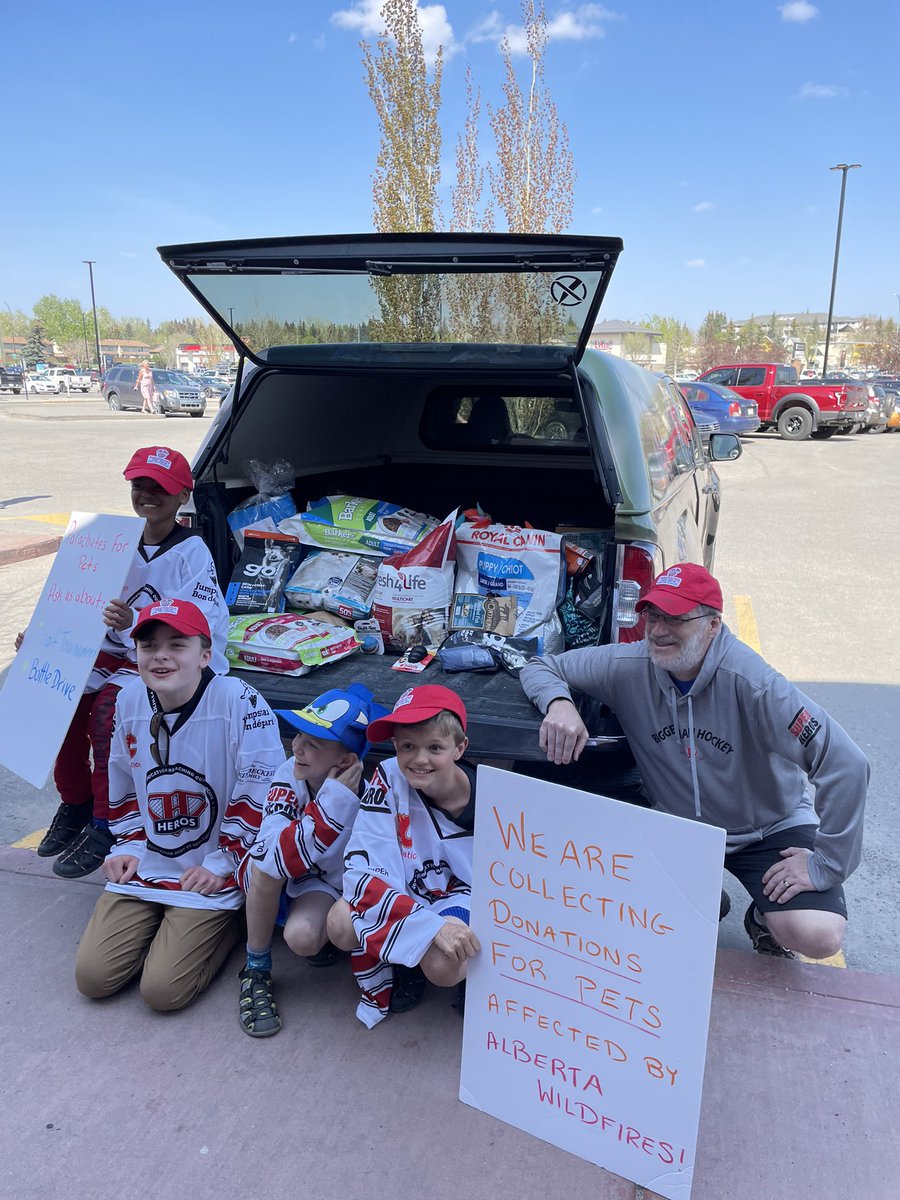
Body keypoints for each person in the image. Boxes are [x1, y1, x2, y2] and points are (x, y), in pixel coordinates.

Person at [520, 563, 869, 961]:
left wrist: (826, 865)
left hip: (766, 827)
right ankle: (702, 896)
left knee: (818, 935)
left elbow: (846, 764)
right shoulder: (630, 665)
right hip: (678, 827)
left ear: (713, 625)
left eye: (676, 619)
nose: (658, 630)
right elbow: (540, 665)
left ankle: (763, 914)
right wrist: (559, 703)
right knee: (617, 917)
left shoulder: (756, 684)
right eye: (653, 615)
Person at [74, 599, 283, 1012]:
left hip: (209, 868)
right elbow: (123, 783)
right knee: (93, 979)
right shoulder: (130, 698)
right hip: (151, 859)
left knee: (162, 992)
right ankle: (162, 919)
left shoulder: (237, 699)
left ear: (206, 655)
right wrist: (129, 845)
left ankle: (230, 922)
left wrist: (224, 862)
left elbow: (265, 789)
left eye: (178, 644)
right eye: (149, 646)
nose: (161, 656)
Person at [31, 446, 230, 879]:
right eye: (140, 484)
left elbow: (202, 626)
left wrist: (135, 622)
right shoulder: (109, 540)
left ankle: (108, 823)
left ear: (182, 496)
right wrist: (43, 641)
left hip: (163, 655)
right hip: (113, 649)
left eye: (160, 487)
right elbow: (75, 601)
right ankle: (76, 802)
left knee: (107, 713)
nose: (148, 494)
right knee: (57, 695)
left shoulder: (190, 551)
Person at [237, 683, 388, 1038]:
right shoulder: (289, 773)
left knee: (309, 937)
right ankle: (255, 970)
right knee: (268, 878)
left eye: (314, 744)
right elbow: (273, 856)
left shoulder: (374, 795)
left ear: (346, 761)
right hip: (300, 880)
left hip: (345, 887)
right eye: (300, 734)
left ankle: (352, 947)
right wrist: (331, 802)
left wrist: (336, 801)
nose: (298, 747)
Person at [327, 685, 481, 1027]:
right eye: (408, 746)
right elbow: (362, 866)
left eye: (435, 747)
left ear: (460, 748)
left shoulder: (495, 795)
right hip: (406, 889)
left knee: (445, 966)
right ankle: (403, 961)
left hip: (461, 896)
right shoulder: (388, 776)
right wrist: (424, 926)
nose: (420, 759)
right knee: (340, 923)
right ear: (395, 745)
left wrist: (440, 928)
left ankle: (470, 974)